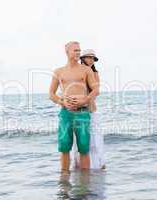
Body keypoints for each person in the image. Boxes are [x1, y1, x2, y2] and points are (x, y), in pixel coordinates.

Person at [49, 41, 99, 174]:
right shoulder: (59, 71)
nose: (78, 53)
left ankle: (85, 181)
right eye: (75, 50)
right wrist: (62, 102)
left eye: (79, 50)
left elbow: (95, 90)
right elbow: (51, 94)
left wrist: (85, 100)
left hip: (83, 113)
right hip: (66, 113)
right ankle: (64, 180)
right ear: (67, 52)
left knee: (84, 147)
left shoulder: (86, 70)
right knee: (64, 146)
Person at [70, 49, 105, 170]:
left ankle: (97, 164)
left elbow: (97, 92)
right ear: (83, 58)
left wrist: (85, 98)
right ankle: (78, 164)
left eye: (92, 58)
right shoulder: (77, 71)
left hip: (90, 108)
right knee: (79, 137)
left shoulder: (95, 73)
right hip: (76, 108)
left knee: (94, 138)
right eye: (88, 57)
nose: (90, 60)